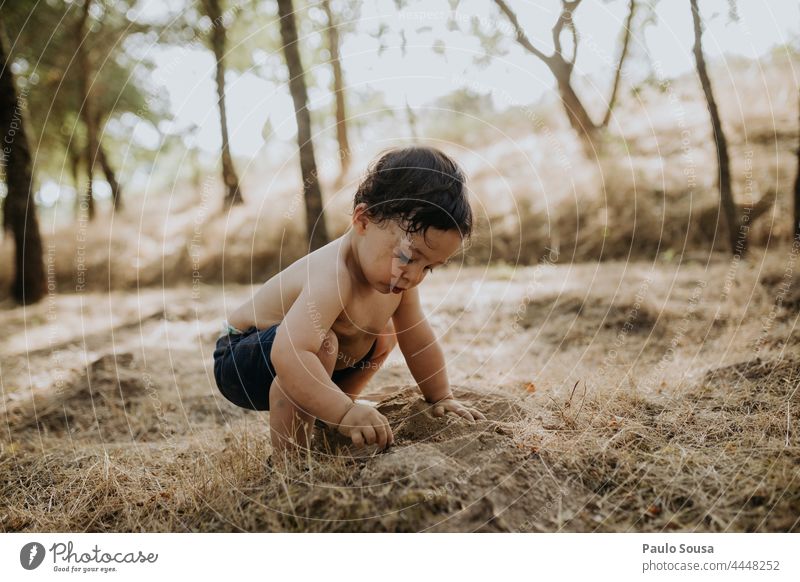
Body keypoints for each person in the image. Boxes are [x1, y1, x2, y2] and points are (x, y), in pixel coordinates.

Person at [212, 145, 486, 461]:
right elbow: (289, 352)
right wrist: (345, 413)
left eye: (428, 267)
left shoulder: (399, 279)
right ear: (363, 220)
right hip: (242, 356)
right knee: (321, 343)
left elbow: (418, 339)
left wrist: (441, 396)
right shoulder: (333, 275)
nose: (413, 275)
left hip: (300, 356)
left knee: (386, 333)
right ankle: (290, 461)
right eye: (409, 257)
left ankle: (333, 408)